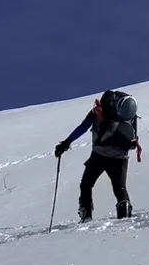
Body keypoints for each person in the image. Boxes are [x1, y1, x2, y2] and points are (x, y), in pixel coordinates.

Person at [54, 90, 142, 221]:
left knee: (86, 184)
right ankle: (125, 217)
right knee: (120, 187)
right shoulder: (127, 115)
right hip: (120, 156)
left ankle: (86, 214)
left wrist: (66, 143)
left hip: (99, 154)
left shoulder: (98, 112)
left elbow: (83, 127)